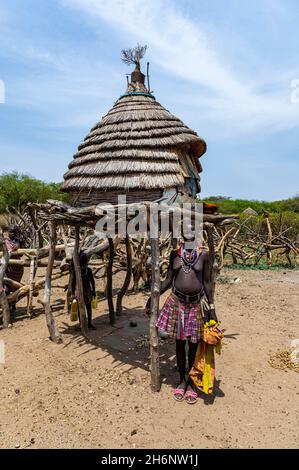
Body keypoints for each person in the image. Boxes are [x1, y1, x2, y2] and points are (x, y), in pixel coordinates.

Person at [146, 238, 217, 404]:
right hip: (177, 302)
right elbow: (168, 280)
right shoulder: (174, 255)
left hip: (196, 304)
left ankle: (191, 382)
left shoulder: (204, 255)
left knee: (193, 344)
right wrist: (152, 298)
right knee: (179, 343)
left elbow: (206, 282)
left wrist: (212, 308)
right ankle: (181, 380)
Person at [71, 252, 96, 330]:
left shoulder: (78, 271)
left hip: (80, 291)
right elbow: (92, 281)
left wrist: (72, 293)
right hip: (86, 291)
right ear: (86, 261)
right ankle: (88, 323)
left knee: (80, 308)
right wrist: (93, 290)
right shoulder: (87, 270)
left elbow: (73, 283)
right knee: (88, 308)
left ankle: (82, 324)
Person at [4, 224, 24, 315]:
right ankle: (7, 305)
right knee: (6, 286)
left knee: (15, 287)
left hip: (17, 269)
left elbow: (21, 254)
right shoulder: (5, 241)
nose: (11, 233)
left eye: (13, 232)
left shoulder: (18, 241)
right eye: (10, 231)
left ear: (16, 233)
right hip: (8, 268)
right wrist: (14, 248)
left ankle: (13, 305)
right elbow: (6, 251)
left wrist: (18, 246)